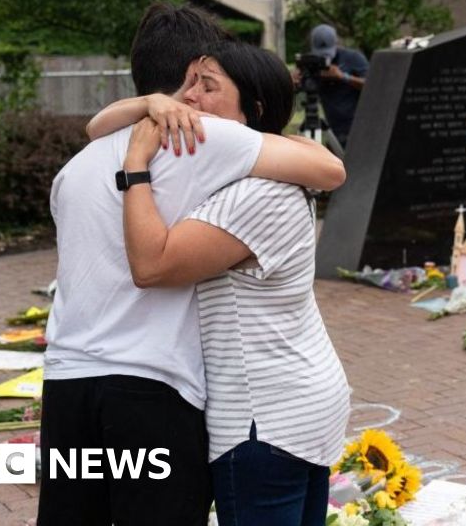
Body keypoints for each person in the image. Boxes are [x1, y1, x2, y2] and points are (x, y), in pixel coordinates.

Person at [39, 4, 344, 526]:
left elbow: (95, 125)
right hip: (152, 390)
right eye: (201, 80)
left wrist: (142, 110)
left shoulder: (75, 167)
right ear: (188, 76)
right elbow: (330, 169)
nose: (200, 95)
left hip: (66, 385)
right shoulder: (202, 138)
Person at [121, 42, 350, 526]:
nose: (189, 97)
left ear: (254, 108)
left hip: (264, 419)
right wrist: (150, 103)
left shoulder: (253, 195)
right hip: (298, 400)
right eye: (190, 84)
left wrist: (135, 168)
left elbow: (152, 266)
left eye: (208, 87)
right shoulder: (275, 172)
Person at [302, 24, 368, 148]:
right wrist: (293, 80)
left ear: (336, 43)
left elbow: (372, 86)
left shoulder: (354, 58)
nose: (325, 59)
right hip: (332, 128)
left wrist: (343, 76)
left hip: (356, 128)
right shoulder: (311, 63)